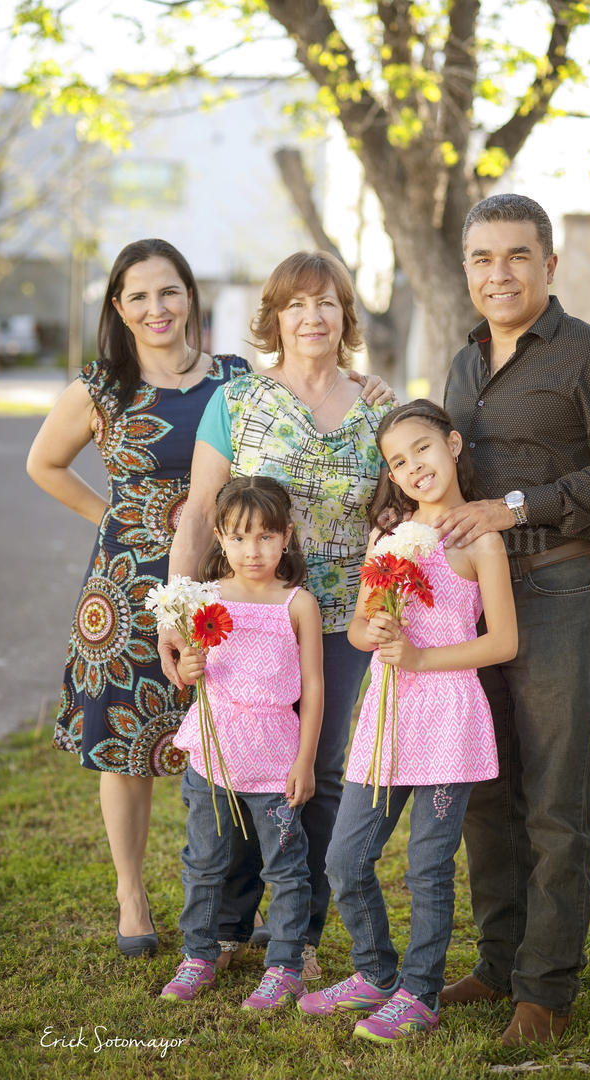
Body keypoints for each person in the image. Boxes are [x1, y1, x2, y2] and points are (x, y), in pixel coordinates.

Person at [26, 238, 388, 958]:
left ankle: (281, 924)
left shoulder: (281, 388)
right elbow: (185, 504)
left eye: (170, 291)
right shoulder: (161, 390)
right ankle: (179, 908)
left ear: (192, 296)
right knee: (180, 754)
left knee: (295, 762)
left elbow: (375, 484)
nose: (157, 307)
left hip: (301, 599)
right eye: (139, 295)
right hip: (196, 599)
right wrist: (145, 560)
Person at [437, 194, 590, 1046]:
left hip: (561, 589)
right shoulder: (461, 364)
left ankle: (547, 989)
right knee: (489, 790)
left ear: (550, 264)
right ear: (467, 270)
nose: (500, 274)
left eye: (517, 257)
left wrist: (520, 504)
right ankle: (498, 964)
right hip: (477, 600)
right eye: (483, 259)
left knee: (557, 797)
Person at [162, 250, 395, 980]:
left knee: (319, 774)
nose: (313, 317)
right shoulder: (235, 402)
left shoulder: (379, 406)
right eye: (297, 304)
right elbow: (201, 511)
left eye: (327, 303)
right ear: (276, 317)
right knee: (232, 766)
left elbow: (401, 505)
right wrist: (177, 608)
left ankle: (300, 930)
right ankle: (227, 925)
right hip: (247, 616)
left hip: (340, 620)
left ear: (345, 315)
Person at [297, 400, 518, 1044]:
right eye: (397, 461)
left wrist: (422, 655)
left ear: (452, 445)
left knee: (427, 866)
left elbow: (502, 641)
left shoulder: (479, 540)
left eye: (421, 449)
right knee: (345, 858)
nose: (412, 466)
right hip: (388, 720)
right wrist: (378, 630)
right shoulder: (389, 540)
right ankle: (374, 972)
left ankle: (420, 993)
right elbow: (363, 627)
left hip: (449, 720)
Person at [160, 476, 323, 1008]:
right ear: (220, 539)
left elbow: (314, 687)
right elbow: (190, 672)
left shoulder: (296, 604)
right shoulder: (204, 599)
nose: (252, 551)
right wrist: (187, 665)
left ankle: (285, 965)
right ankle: (199, 954)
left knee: (285, 866)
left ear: (286, 537)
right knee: (205, 860)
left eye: (266, 537)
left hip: (276, 760)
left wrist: (306, 760)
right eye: (239, 538)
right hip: (213, 757)